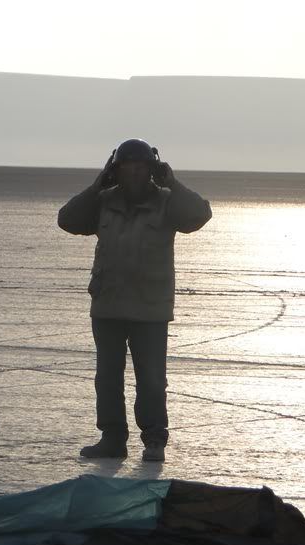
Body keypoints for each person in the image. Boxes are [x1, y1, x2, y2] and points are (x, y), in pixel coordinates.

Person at [57, 138, 212, 461]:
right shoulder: (103, 201)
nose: (134, 174)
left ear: (152, 169)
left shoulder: (168, 202)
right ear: (116, 170)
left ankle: (154, 441)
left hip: (150, 309)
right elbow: (67, 219)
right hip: (108, 306)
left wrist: (171, 181)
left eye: (141, 167)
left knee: (152, 379)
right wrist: (97, 184)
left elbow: (200, 215)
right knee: (108, 378)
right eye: (126, 167)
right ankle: (112, 439)